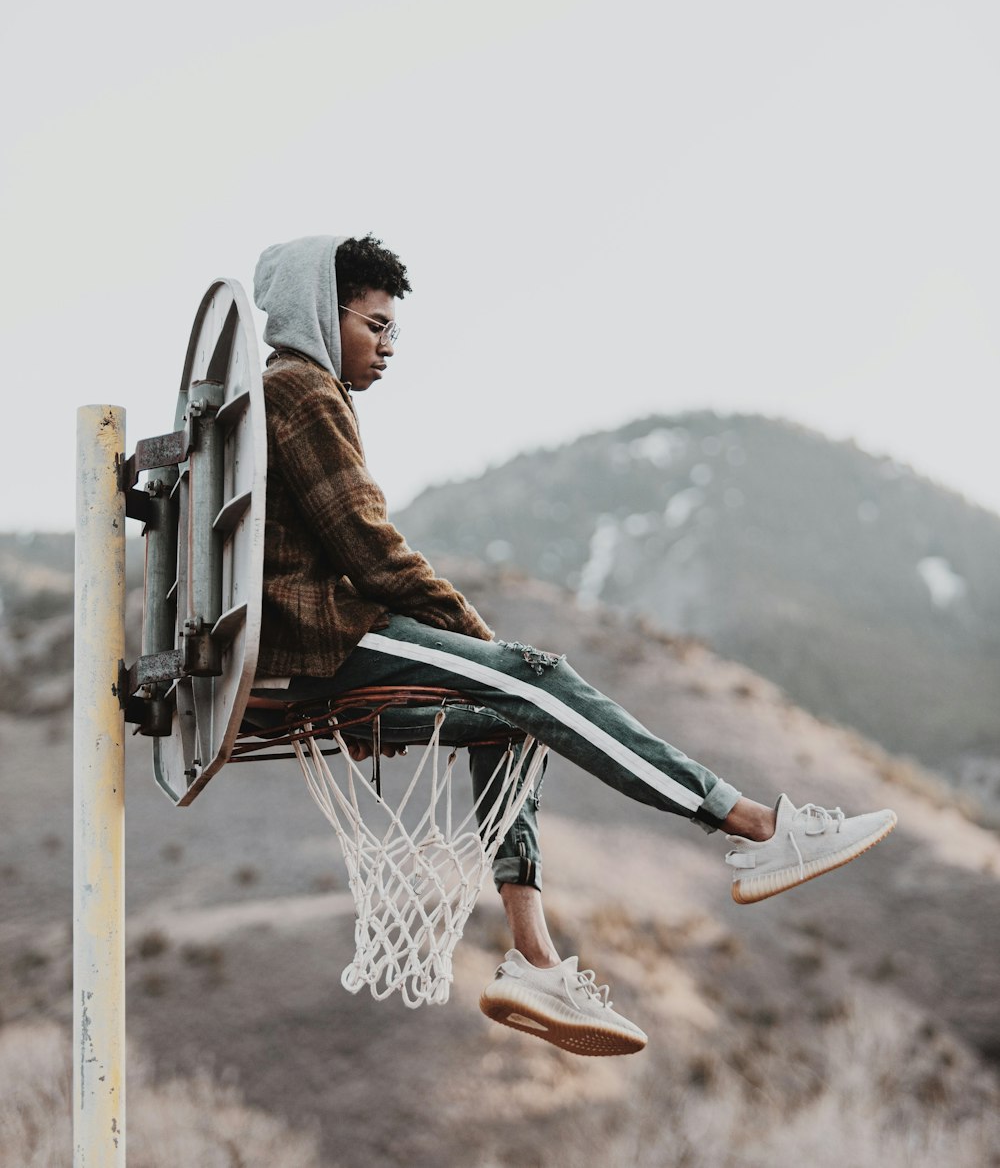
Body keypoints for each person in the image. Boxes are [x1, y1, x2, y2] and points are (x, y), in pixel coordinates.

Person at [252, 233, 897, 1058]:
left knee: (504, 716)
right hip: (327, 638)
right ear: (321, 310)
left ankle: (532, 959)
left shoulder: (288, 391)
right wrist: (485, 645)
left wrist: (492, 668)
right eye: (376, 325)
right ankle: (759, 828)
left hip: (316, 638)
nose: (387, 347)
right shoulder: (304, 390)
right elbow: (369, 549)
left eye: (393, 331)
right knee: (533, 681)